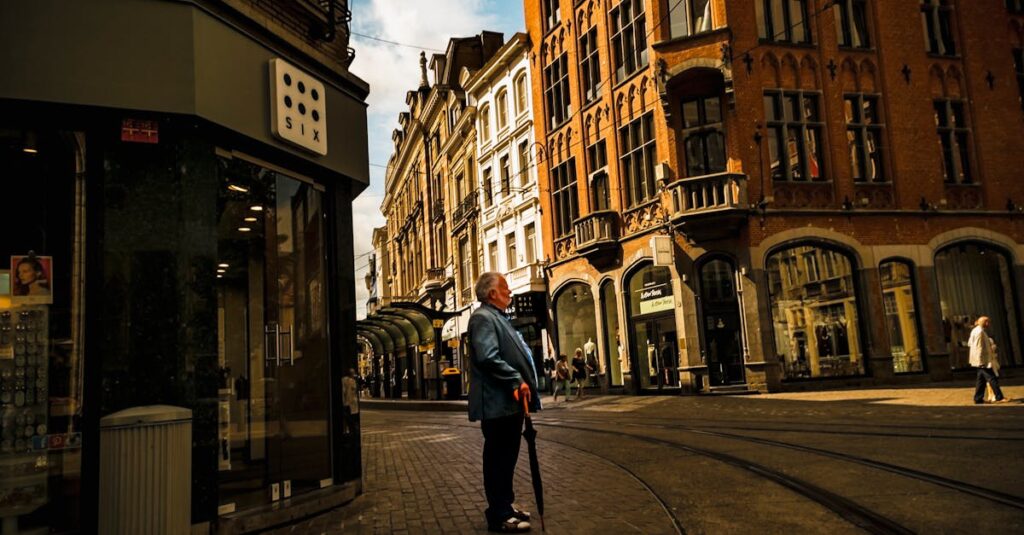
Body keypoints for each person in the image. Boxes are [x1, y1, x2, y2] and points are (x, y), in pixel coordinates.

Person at [468, 272, 540, 533]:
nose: (509, 292)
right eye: (505, 288)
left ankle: (505, 505)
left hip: (508, 404)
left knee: (507, 458)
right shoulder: (482, 318)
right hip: (497, 404)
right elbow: (488, 357)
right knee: (499, 459)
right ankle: (498, 513)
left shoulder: (497, 317)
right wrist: (514, 379)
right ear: (492, 293)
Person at [969, 316, 1011, 404]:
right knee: (992, 378)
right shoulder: (979, 332)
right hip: (983, 360)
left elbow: (970, 343)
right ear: (984, 322)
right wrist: (980, 361)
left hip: (980, 360)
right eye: (987, 322)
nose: (988, 324)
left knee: (981, 380)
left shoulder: (976, 330)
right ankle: (999, 397)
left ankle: (978, 398)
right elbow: (978, 347)